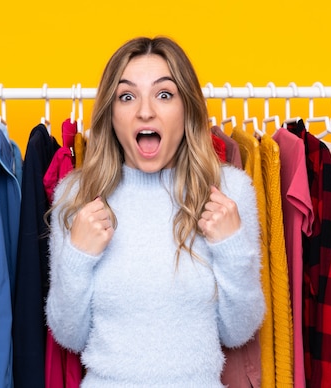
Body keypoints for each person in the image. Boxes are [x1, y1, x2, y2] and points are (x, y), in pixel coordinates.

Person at [45, 36, 265, 387]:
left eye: (164, 95)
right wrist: (76, 257)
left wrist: (232, 247)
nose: (145, 111)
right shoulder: (76, 195)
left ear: (187, 109)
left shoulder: (230, 191)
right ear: (111, 114)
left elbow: (237, 332)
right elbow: (70, 335)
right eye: (127, 96)